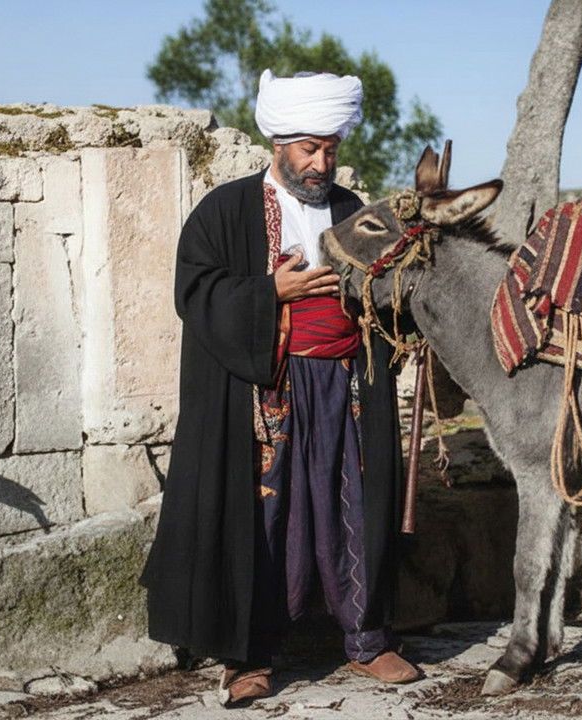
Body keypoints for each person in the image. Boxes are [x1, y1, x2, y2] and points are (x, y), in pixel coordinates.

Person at [141, 69, 418, 707]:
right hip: (266, 390)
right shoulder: (226, 210)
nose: (321, 162)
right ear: (279, 144)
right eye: (307, 149)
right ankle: (248, 658)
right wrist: (271, 292)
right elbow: (196, 292)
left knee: (351, 504)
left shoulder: (354, 213)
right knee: (266, 516)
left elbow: (393, 290)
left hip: (347, 387)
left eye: (330, 148)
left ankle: (368, 641)